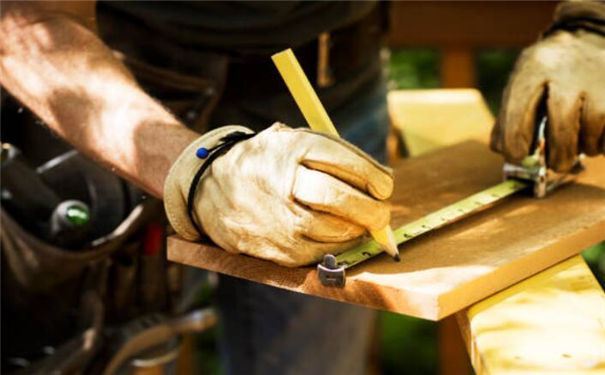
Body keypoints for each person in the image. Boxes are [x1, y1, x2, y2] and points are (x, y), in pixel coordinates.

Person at [1, 1, 603, 374]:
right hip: (117, 107)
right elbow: (25, 25)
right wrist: (195, 166)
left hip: (338, 89)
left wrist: (591, 23)